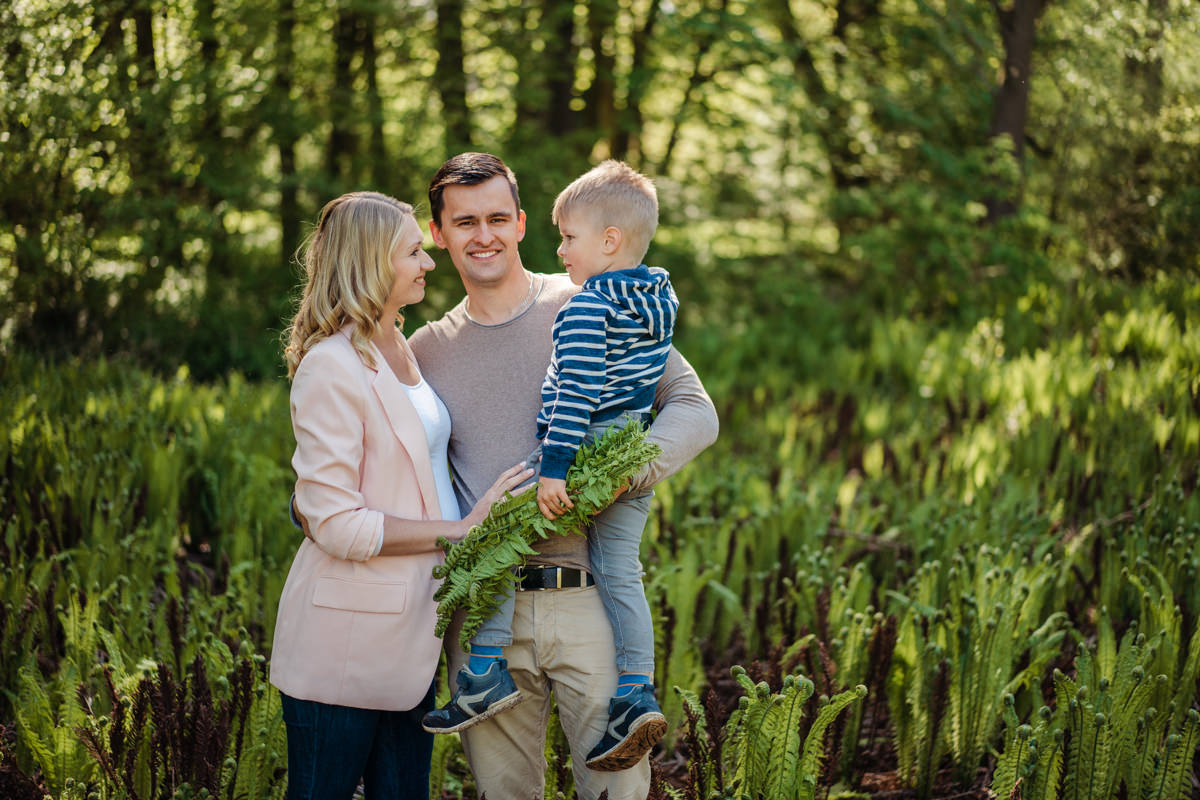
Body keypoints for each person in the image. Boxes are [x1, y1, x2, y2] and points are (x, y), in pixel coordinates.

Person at [408, 153, 718, 800]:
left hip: (588, 600)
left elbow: (694, 409)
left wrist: (620, 476)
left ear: (522, 224)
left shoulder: (590, 301)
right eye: (465, 222)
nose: (484, 234)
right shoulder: (424, 352)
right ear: (439, 234)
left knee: (618, 791)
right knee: (504, 793)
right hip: (487, 609)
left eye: (498, 217)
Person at [271, 191, 532, 800]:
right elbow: (335, 524)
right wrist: (464, 529)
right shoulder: (331, 364)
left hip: (414, 638)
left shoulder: (405, 350)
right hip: (344, 645)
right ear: (370, 261)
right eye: (414, 251)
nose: (429, 262)